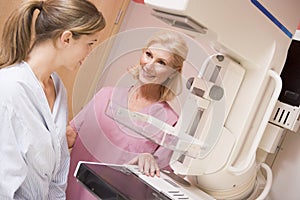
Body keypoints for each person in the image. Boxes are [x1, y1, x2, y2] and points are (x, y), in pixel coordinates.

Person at [0, 0, 105, 199]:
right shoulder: (8, 89)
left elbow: (60, 163)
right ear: (66, 39)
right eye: (89, 44)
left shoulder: (57, 88)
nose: (89, 53)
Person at [66, 30, 189, 200]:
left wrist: (147, 160)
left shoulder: (171, 122)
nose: (149, 65)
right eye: (148, 54)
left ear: (174, 71)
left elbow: (156, 182)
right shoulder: (105, 95)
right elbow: (70, 136)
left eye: (161, 62)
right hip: (65, 191)